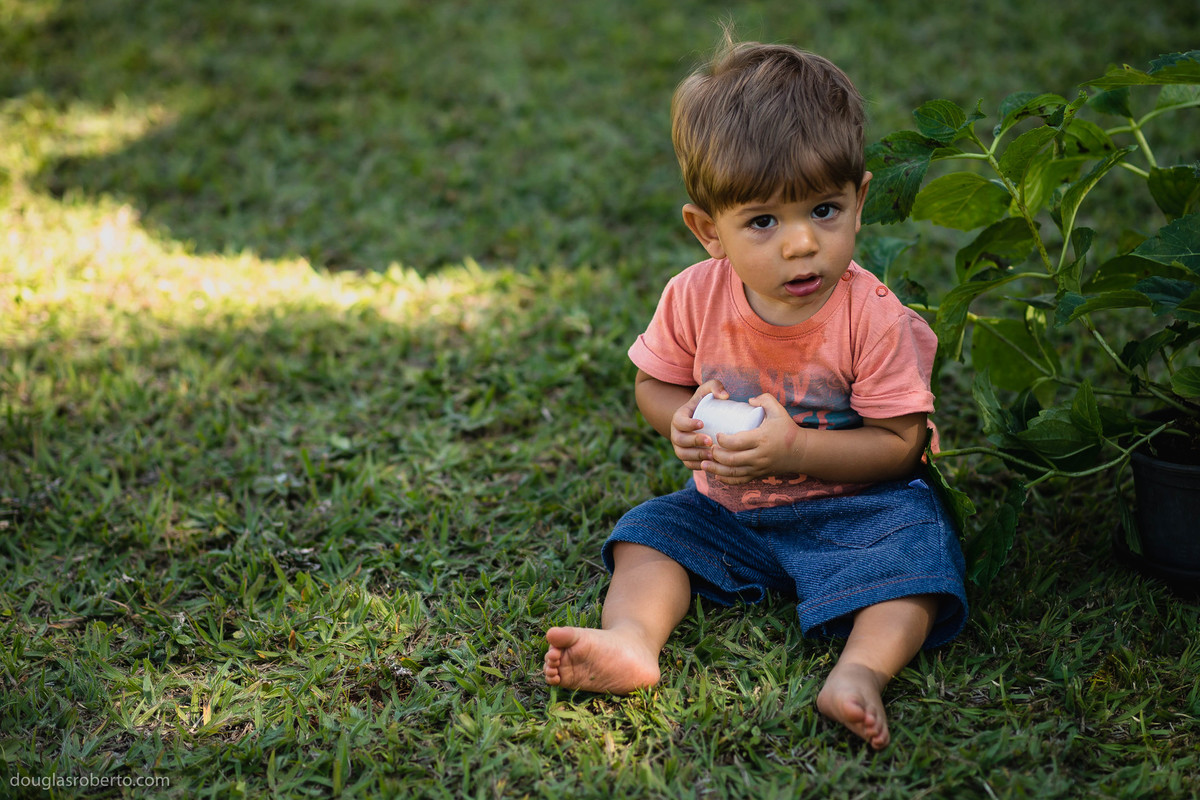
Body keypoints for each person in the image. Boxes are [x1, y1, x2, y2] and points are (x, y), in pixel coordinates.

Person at [543, 34, 967, 750]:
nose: (801, 245)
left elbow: (902, 449)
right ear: (709, 231)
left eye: (824, 211)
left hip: (857, 511)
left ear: (860, 200)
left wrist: (797, 447)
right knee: (650, 537)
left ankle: (859, 672)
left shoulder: (875, 317)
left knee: (920, 562)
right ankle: (631, 642)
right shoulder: (693, 297)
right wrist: (678, 421)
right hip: (730, 509)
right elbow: (656, 383)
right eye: (764, 222)